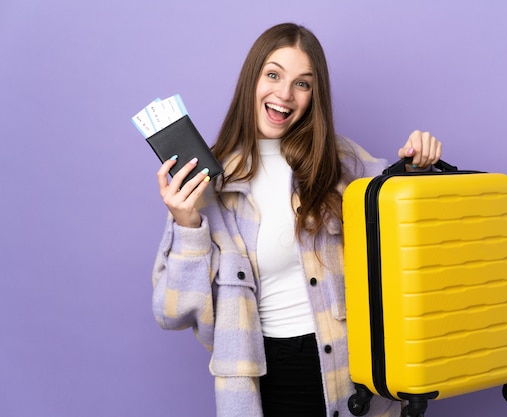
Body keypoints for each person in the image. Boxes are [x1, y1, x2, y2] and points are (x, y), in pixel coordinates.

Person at [152, 22, 442, 417]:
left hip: (351, 372)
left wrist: (418, 167)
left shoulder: (344, 164)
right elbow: (173, 314)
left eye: (302, 83)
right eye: (273, 75)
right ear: (252, 79)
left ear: (314, 95)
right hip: (263, 381)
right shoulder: (208, 182)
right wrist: (187, 226)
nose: (284, 94)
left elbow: (411, 237)